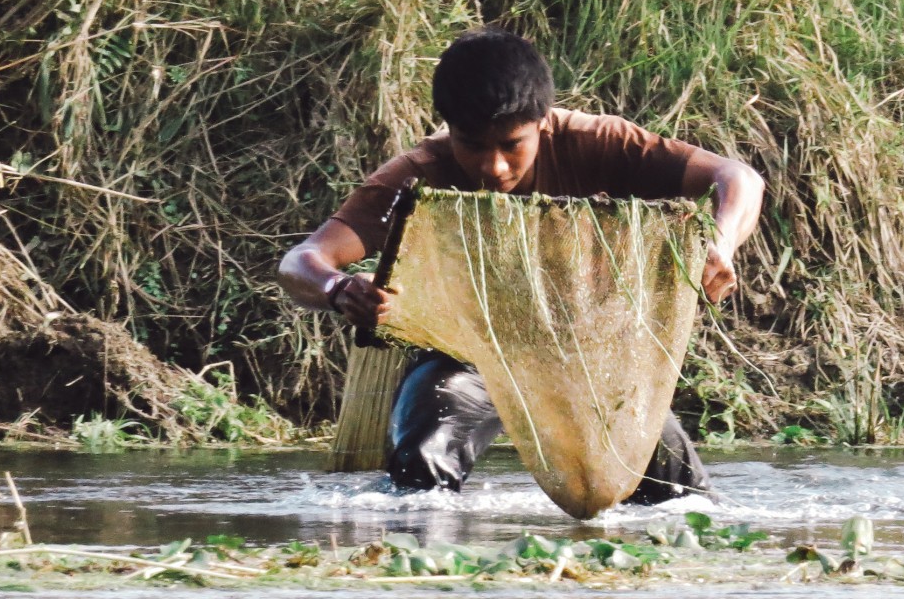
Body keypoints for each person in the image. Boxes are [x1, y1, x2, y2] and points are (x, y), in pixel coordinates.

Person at [278, 29, 764, 501]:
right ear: (449, 127)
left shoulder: (598, 142)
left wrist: (717, 244)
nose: (494, 168)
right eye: (472, 145)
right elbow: (302, 262)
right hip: (468, 353)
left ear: (542, 121)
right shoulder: (420, 173)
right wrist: (339, 289)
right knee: (421, 467)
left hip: (594, 357)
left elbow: (736, 178)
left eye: (512, 145)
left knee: (683, 502)